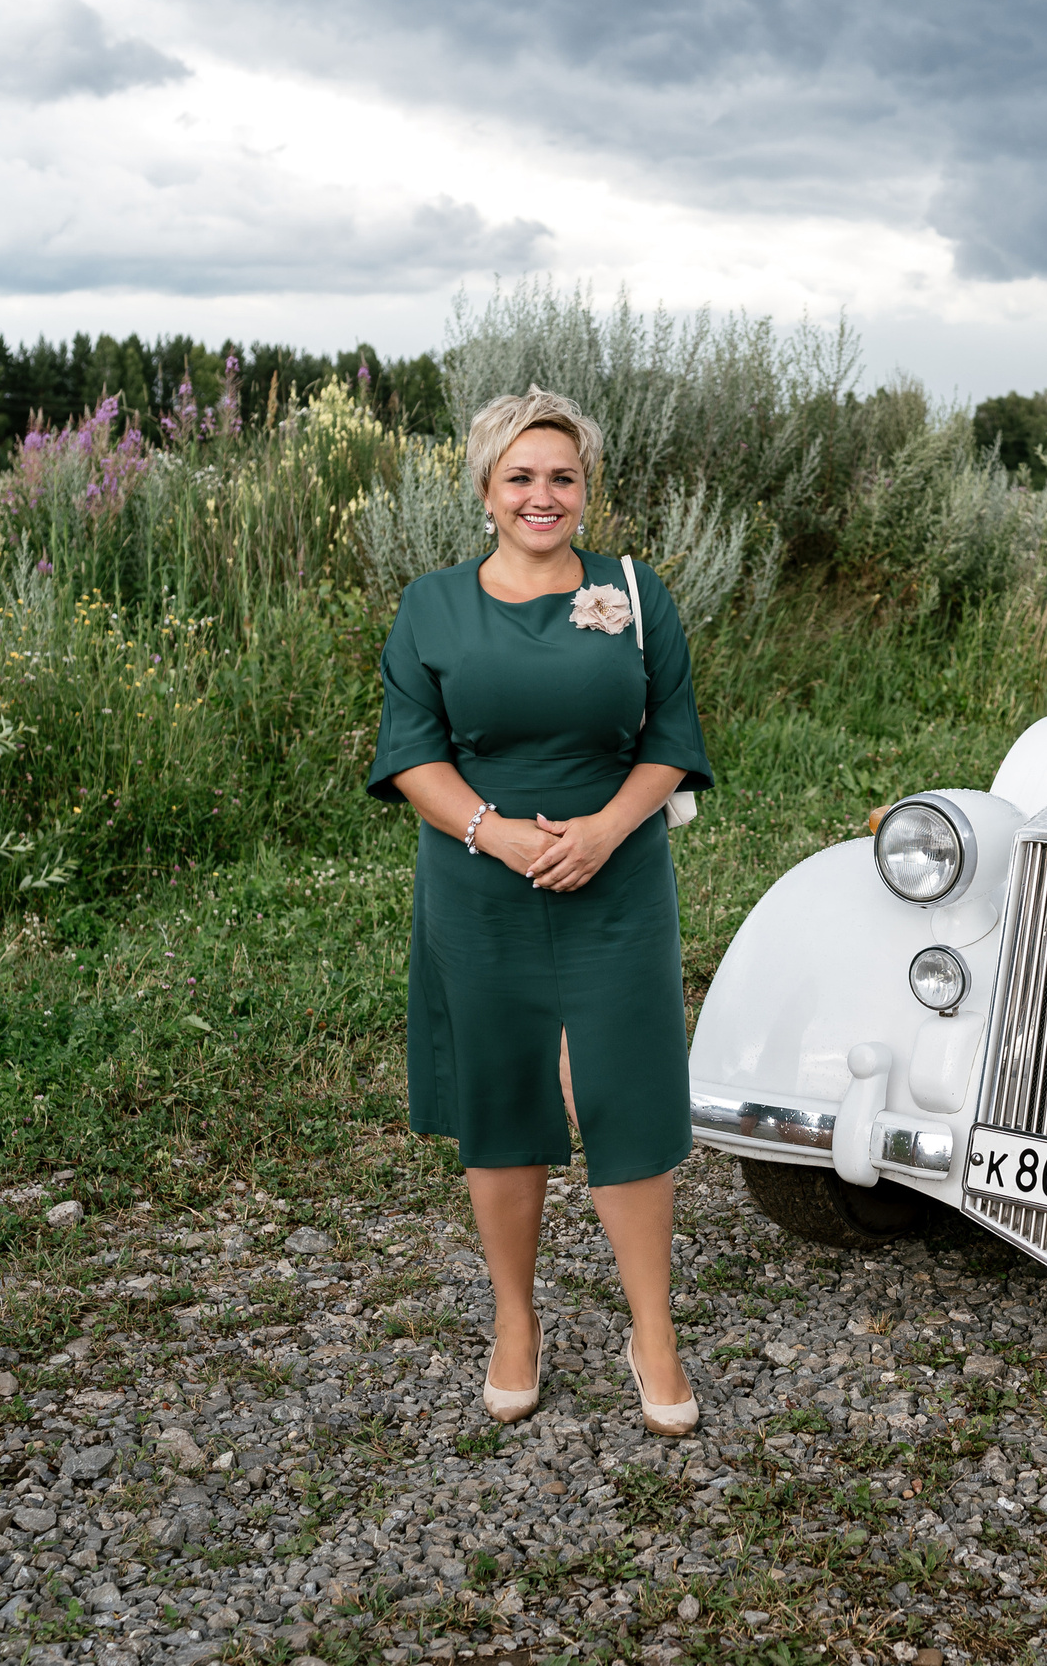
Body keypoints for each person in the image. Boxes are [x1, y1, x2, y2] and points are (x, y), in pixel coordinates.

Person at [364, 387, 715, 1436]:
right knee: (501, 1092)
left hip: (616, 874)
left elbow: (674, 741)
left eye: (562, 476)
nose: (542, 495)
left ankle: (651, 1330)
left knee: (627, 1087)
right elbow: (411, 754)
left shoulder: (634, 593)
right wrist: (495, 833)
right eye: (520, 476)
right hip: (480, 882)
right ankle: (515, 1323)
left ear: (586, 487)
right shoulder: (431, 604)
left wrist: (605, 829)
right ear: (484, 489)